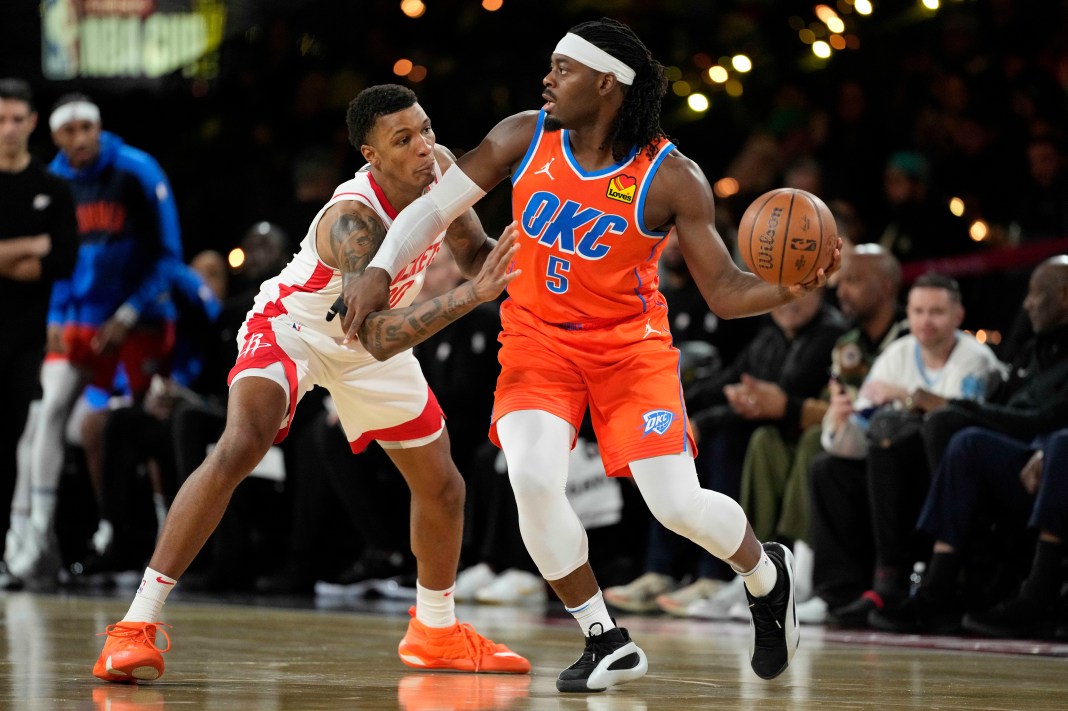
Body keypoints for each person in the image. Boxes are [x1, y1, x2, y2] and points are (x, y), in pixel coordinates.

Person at [345, 18, 840, 690]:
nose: (547, 79)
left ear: (607, 84)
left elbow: (724, 291)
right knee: (532, 476)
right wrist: (379, 266)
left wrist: (787, 284)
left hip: (630, 353)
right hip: (537, 341)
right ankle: (603, 636)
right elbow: (433, 210)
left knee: (678, 504)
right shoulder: (524, 135)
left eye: (563, 69)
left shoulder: (674, 179)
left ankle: (764, 571)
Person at [91, 84, 530, 683]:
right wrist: (470, 296)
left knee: (445, 487)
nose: (424, 146)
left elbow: (474, 251)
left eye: (425, 128)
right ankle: (135, 625)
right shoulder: (353, 220)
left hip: (377, 334)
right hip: (301, 326)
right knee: (242, 443)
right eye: (404, 139)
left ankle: (435, 630)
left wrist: (529, 262)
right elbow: (375, 335)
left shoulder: (444, 168)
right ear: (371, 156)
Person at [6, 93, 183, 586]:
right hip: (79, 321)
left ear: (100, 129)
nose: (81, 138)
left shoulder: (137, 170)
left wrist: (130, 311)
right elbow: (59, 260)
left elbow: (169, 256)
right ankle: (34, 541)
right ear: (56, 135)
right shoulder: (54, 180)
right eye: (71, 131)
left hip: (138, 320)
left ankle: (162, 543)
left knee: (127, 428)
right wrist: (56, 313)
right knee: (43, 415)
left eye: (89, 128)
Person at [868, 255, 1068, 633]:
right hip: (1025, 454)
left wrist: (959, 408)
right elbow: (1005, 408)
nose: (1026, 304)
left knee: (1055, 444)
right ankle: (939, 586)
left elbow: (1048, 420)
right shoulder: (1033, 349)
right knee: (966, 442)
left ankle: (1036, 596)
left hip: (1053, 453)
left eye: (1037, 294)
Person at [814, 273, 1002, 628]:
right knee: (828, 468)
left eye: (936, 312)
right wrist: (841, 420)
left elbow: (957, 419)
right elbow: (863, 433)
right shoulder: (896, 355)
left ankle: (897, 579)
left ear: (958, 316)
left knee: (904, 440)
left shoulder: (976, 360)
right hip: (897, 469)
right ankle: (840, 590)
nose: (925, 321)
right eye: (917, 311)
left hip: (953, 474)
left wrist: (904, 395)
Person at [0, 78, 78, 581]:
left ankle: (6, 549)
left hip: (24, 339)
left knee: (10, 442)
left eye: (15, 119)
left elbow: (64, 259)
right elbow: (43, 255)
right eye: (0, 119)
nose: (7, 129)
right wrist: (32, 247)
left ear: (32, 123)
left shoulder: (54, 189)